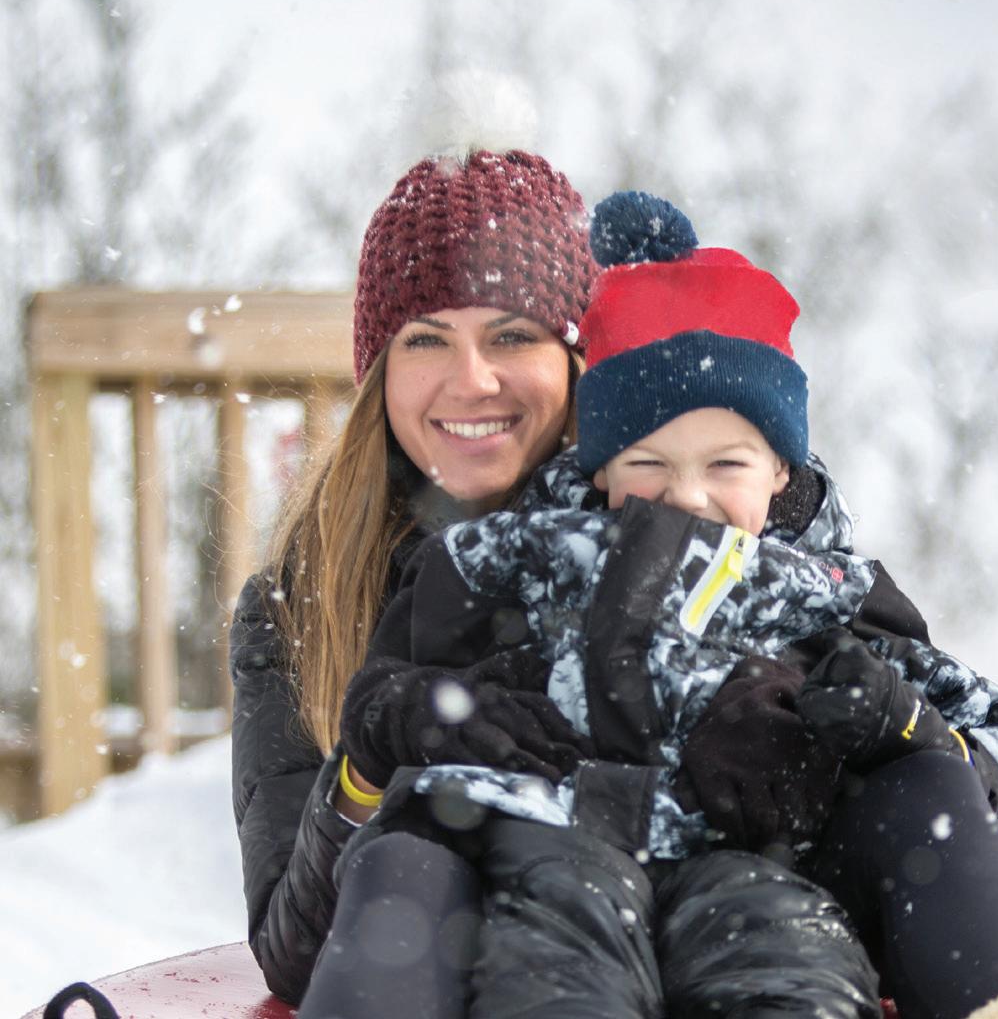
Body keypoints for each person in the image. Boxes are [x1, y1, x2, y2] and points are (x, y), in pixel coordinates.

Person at [325, 191, 998, 1019]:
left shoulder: (822, 588)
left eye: (725, 465)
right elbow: (393, 700)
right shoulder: (511, 561)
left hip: (771, 875)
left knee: (888, 834)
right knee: (472, 897)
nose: (688, 496)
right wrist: (417, 718)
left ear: (781, 469)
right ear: (600, 467)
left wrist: (894, 724)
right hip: (560, 860)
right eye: (648, 463)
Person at [230, 134, 874, 1019]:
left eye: (511, 334)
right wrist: (373, 762)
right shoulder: (301, 601)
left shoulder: (737, 536)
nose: (471, 380)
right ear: (379, 374)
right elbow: (291, 952)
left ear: (582, 364)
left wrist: (776, 737)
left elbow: (905, 826)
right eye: (425, 339)